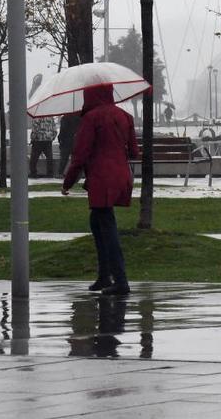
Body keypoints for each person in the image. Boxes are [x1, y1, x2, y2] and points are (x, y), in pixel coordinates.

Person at [63, 85, 140, 296]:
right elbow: (134, 151)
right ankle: (105, 275)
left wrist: (68, 182)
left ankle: (120, 280)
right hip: (121, 175)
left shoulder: (91, 119)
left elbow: (79, 155)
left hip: (101, 178)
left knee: (105, 223)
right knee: (97, 221)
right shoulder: (125, 116)